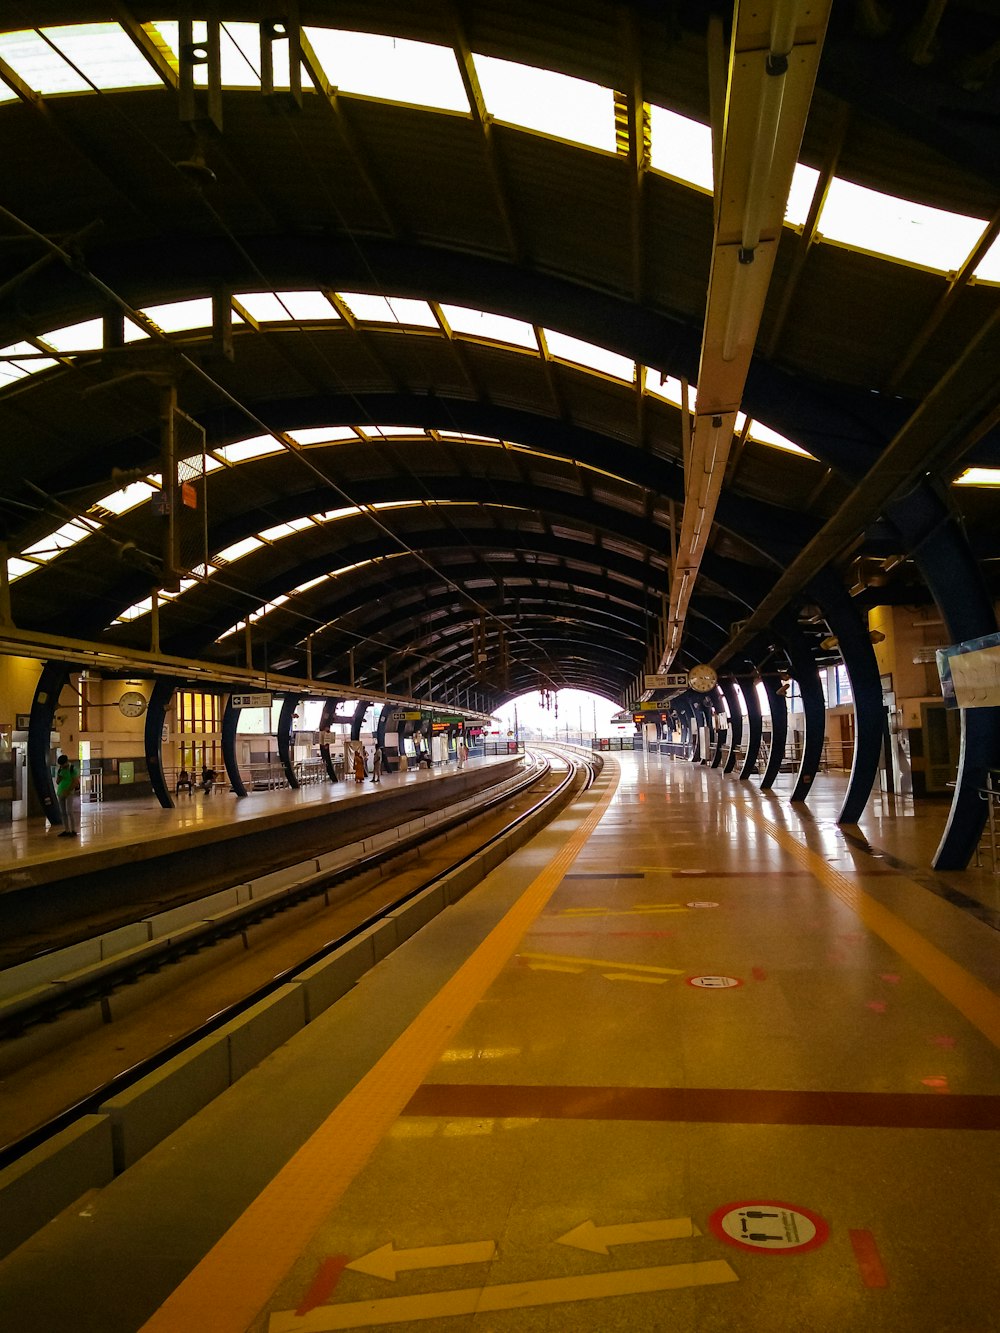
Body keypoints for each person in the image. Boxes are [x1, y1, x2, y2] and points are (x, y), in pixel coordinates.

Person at [55, 754, 78, 837]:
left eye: (63, 764)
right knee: (63, 812)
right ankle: (66, 830)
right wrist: (59, 773)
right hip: (61, 792)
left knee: (69, 811)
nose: (62, 766)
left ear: (66, 762)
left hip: (69, 793)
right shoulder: (60, 769)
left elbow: (75, 782)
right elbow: (57, 782)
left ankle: (73, 830)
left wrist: (68, 790)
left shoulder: (72, 769)